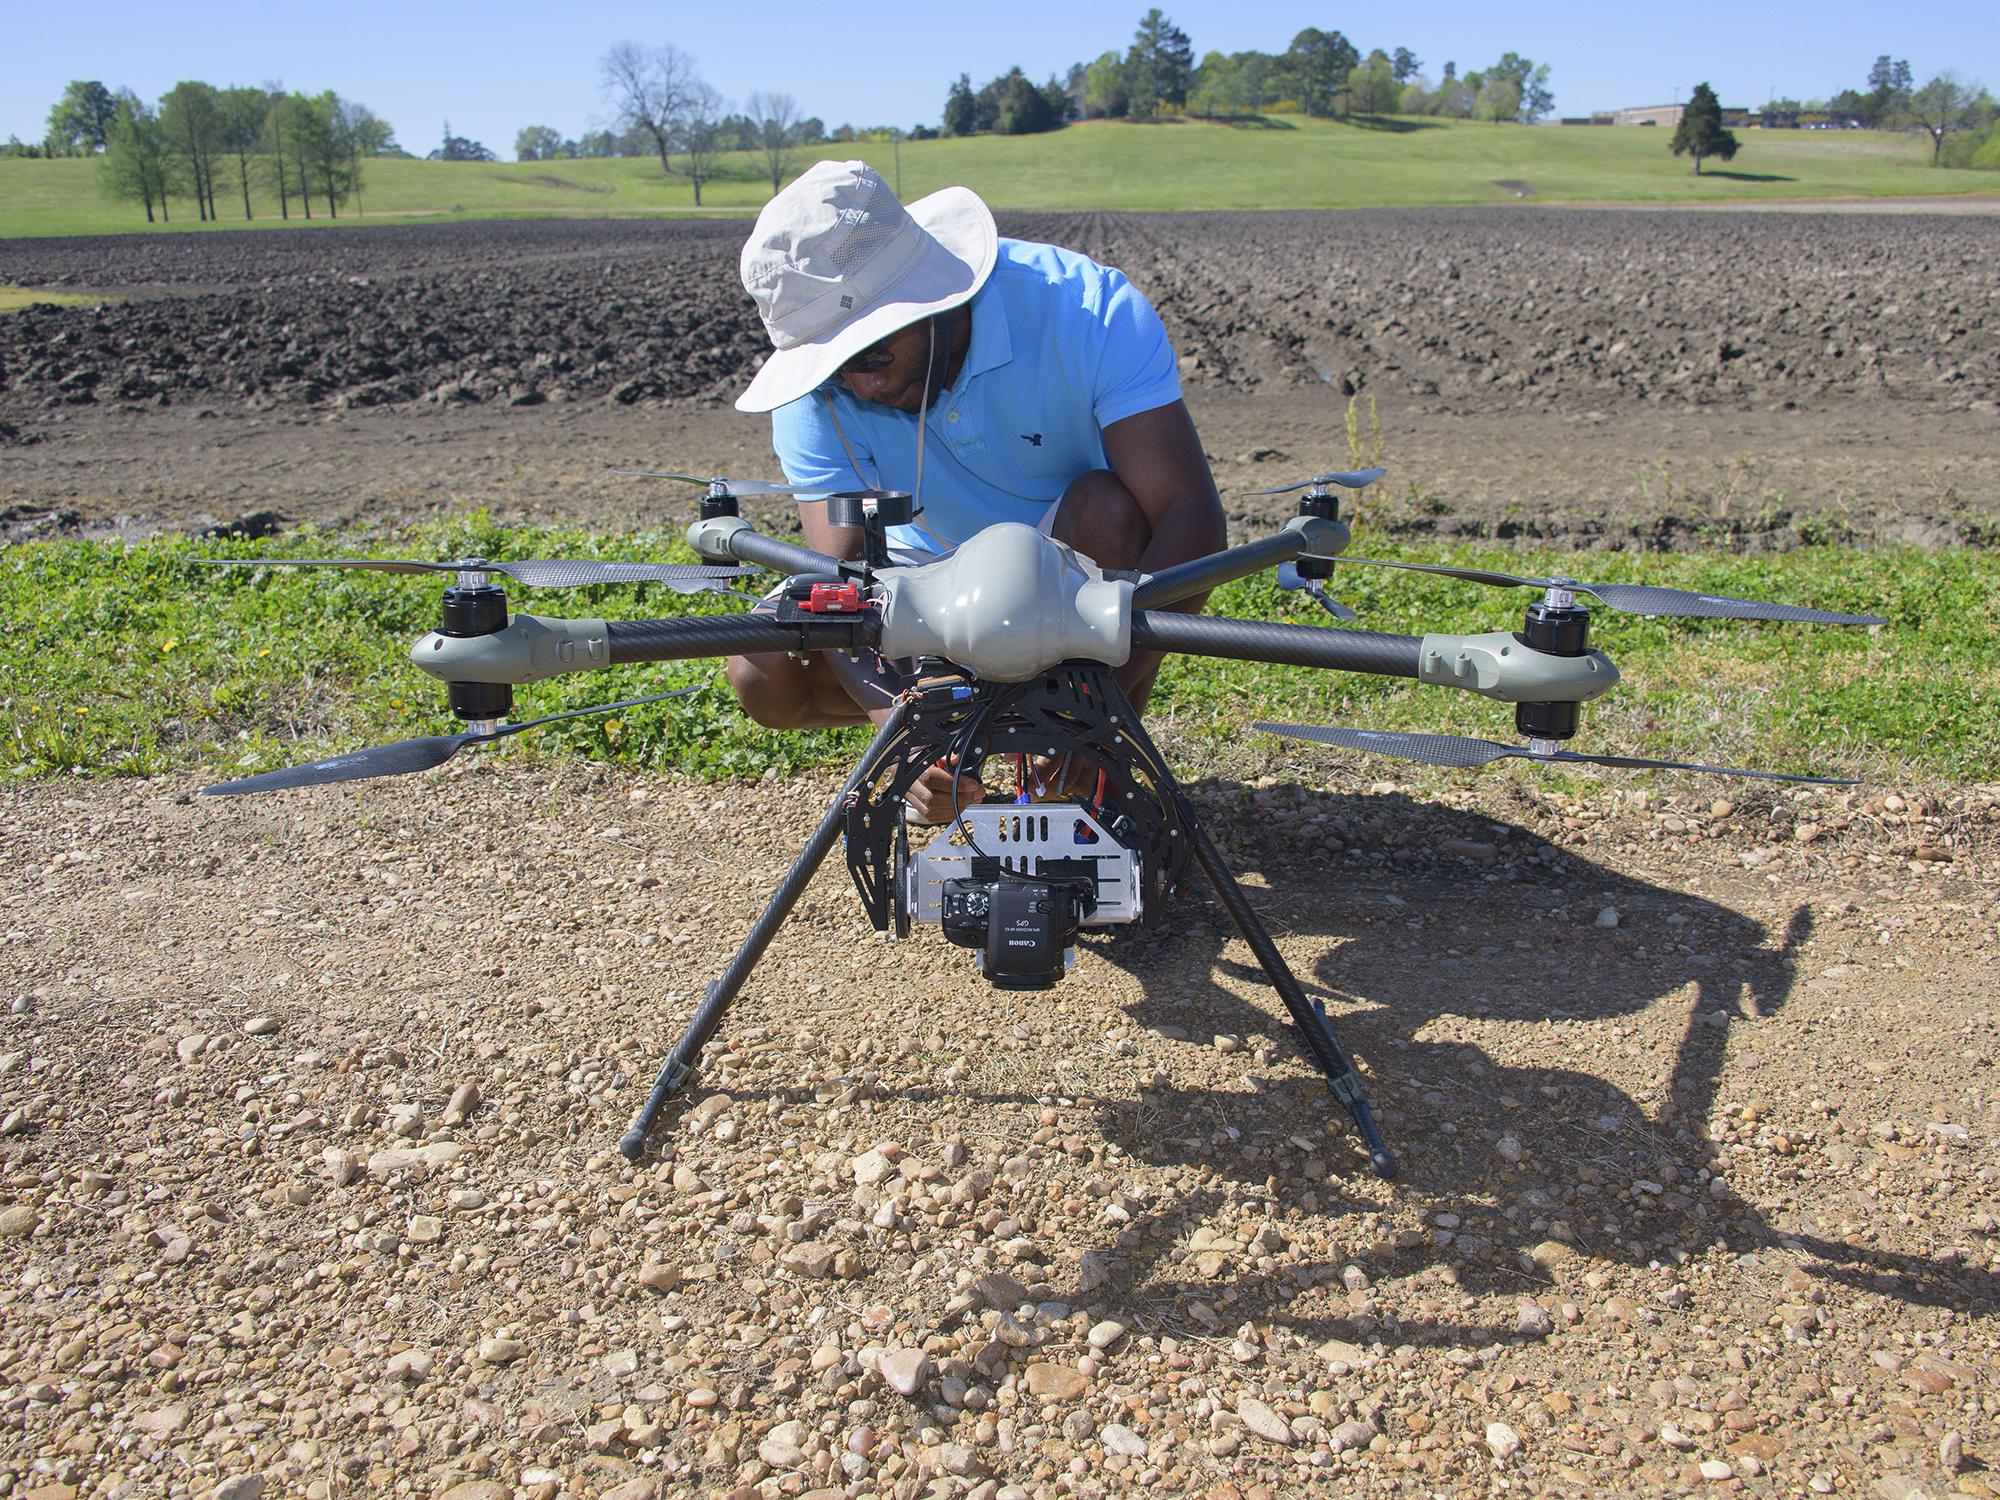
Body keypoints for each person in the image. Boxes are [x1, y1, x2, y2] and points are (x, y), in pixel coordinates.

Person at [726, 160, 1225, 820]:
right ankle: (949, 743)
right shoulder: (825, 389)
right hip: (919, 589)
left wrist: (1099, 698)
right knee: (762, 667)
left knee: (1109, 509)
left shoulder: (1084, 310)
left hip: (1070, 573)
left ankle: (1097, 750)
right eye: (837, 370)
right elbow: (838, 575)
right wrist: (897, 730)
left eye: (873, 357)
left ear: (933, 298)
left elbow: (1190, 518)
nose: (863, 387)